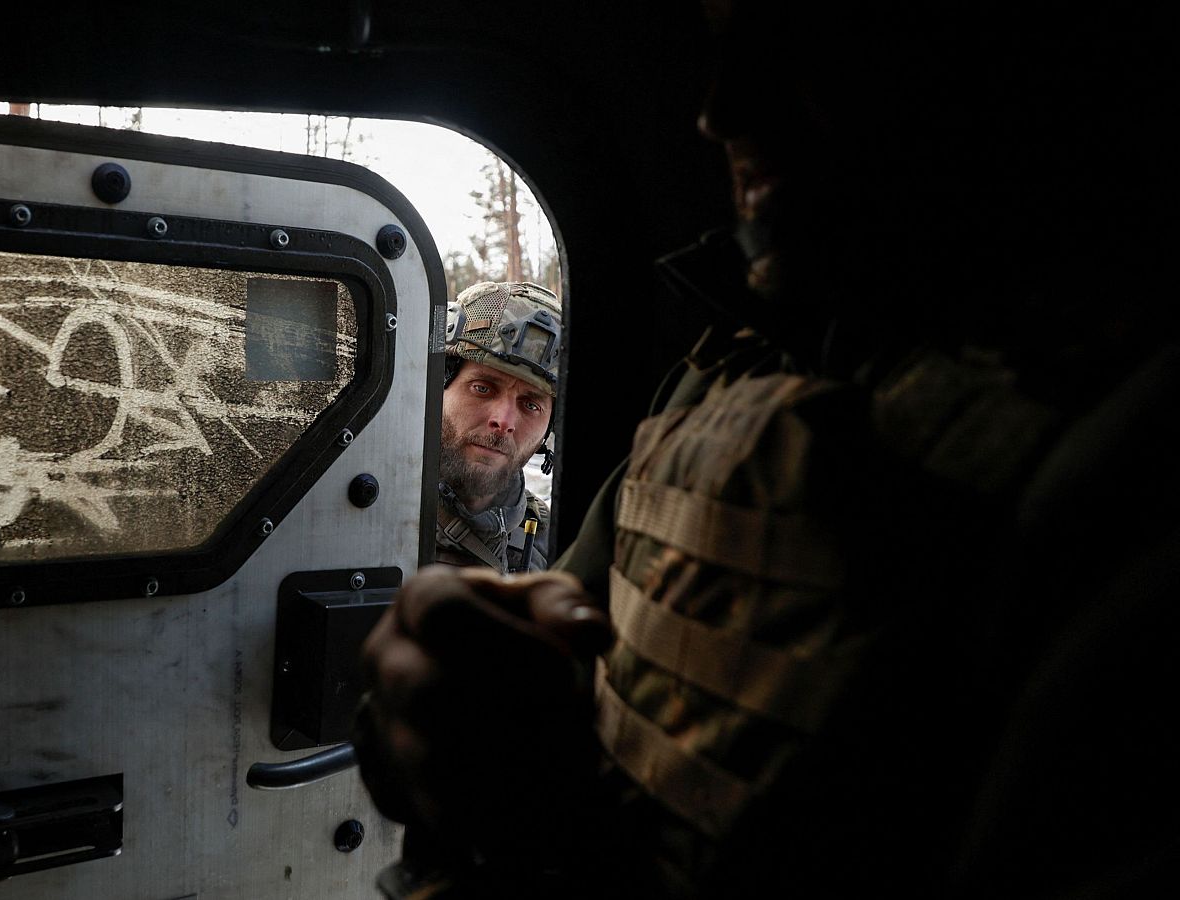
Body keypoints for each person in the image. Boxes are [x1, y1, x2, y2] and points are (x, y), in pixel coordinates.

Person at [355, 1, 1172, 897]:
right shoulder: (728, 376)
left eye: (809, 30)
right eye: (720, 38)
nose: (721, 110)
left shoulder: (1121, 449)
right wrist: (430, 724)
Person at [434, 281, 561, 573]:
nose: (504, 421)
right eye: (482, 388)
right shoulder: (369, 505)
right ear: (438, 385)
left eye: (531, 405)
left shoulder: (551, 546)